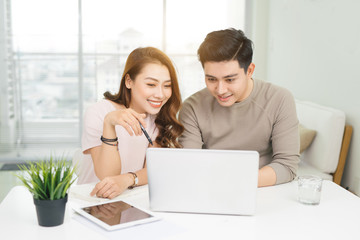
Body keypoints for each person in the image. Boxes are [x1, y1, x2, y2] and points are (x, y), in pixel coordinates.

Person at [178, 28, 300, 187]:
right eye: (211, 79)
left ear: (249, 71)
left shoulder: (279, 99)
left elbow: (287, 166)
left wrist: (235, 182)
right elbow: (190, 164)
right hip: (210, 188)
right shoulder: (192, 107)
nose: (220, 90)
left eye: (229, 80)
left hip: (263, 189)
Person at [81, 47, 184, 198]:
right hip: (94, 202)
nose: (160, 94)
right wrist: (109, 124)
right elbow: (107, 176)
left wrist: (128, 179)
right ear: (129, 81)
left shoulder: (157, 118)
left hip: (132, 198)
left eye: (167, 86)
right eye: (151, 84)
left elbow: (153, 170)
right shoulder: (98, 112)